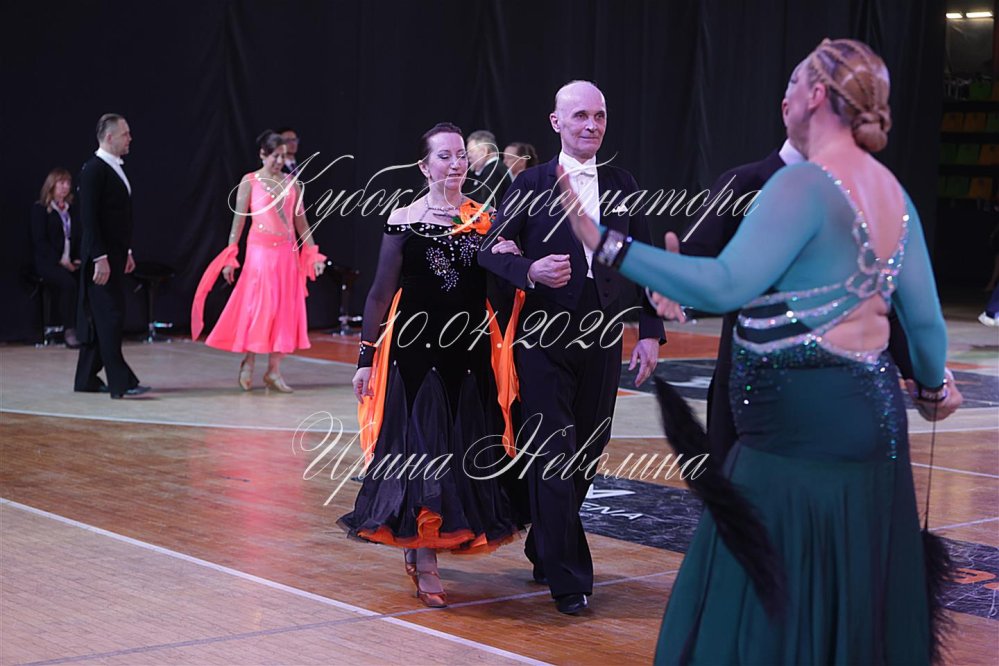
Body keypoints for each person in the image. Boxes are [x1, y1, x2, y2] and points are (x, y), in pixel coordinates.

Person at [559, 40, 962, 663]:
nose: (786, 96)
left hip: (796, 429)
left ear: (817, 96)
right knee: (853, 586)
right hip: (873, 423)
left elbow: (725, 285)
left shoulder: (802, 183)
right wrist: (933, 387)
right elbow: (927, 323)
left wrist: (605, 243)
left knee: (761, 586)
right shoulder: (890, 190)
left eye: (795, 83)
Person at [478, 80, 665, 615]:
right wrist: (529, 268)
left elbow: (644, 259)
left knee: (587, 450)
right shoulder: (531, 182)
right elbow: (487, 249)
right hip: (543, 336)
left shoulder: (624, 183)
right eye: (580, 115)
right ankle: (570, 579)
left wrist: (650, 331)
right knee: (554, 452)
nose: (592, 125)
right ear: (556, 122)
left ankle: (545, 542)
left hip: (603, 336)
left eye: (599, 116)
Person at [675, 62, 914, 460]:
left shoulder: (862, 194)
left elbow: (882, 292)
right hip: (753, 394)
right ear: (787, 109)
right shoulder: (744, 184)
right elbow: (693, 263)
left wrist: (919, 372)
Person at [338, 123, 523, 608]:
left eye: (461, 155)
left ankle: (427, 543)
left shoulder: (484, 218)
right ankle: (425, 559)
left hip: (470, 351)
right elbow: (379, 294)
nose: (456, 163)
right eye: (444, 156)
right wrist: (365, 358)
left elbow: (502, 284)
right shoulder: (404, 219)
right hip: (416, 353)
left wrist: (512, 257)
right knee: (423, 448)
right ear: (424, 166)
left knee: (460, 449)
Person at [191, 131, 325, 392]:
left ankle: (274, 370)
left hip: (286, 254)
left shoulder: (292, 184)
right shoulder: (250, 182)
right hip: (260, 253)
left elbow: (302, 223)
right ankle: (249, 360)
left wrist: (312, 253)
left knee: (284, 309)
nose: (280, 161)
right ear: (263, 154)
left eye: (283, 156)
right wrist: (231, 256)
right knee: (259, 306)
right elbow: (238, 223)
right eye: (275, 155)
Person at [74, 114, 149, 399]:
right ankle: (121, 381)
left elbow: (117, 218)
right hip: (101, 258)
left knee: (104, 317)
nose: (130, 138)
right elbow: (89, 219)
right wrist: (99, 257)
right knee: (110, 318)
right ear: (109, 137)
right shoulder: (94, 170)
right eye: (125, 134)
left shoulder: (112, 167)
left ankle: (85, 379)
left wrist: (126, 250)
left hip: (114, 255)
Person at [31, 168, 81, 347]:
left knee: (89, 279)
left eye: (68, 183)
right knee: (69, 284)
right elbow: (40, 241)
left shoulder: (71, 210)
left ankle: (88, 327)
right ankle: (69, 330)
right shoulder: (41, 209)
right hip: (49, 262)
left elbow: (77, 237)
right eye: (61, 183)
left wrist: (77, 258)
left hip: (69, 260)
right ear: (52, 185)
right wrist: (61, 261)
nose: (65, 187)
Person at [465, 129, 512, 206]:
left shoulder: (493, 172)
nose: (468, 156)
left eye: (471, 151)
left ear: (484, 151)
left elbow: (487, 207)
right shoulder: (495, 169)